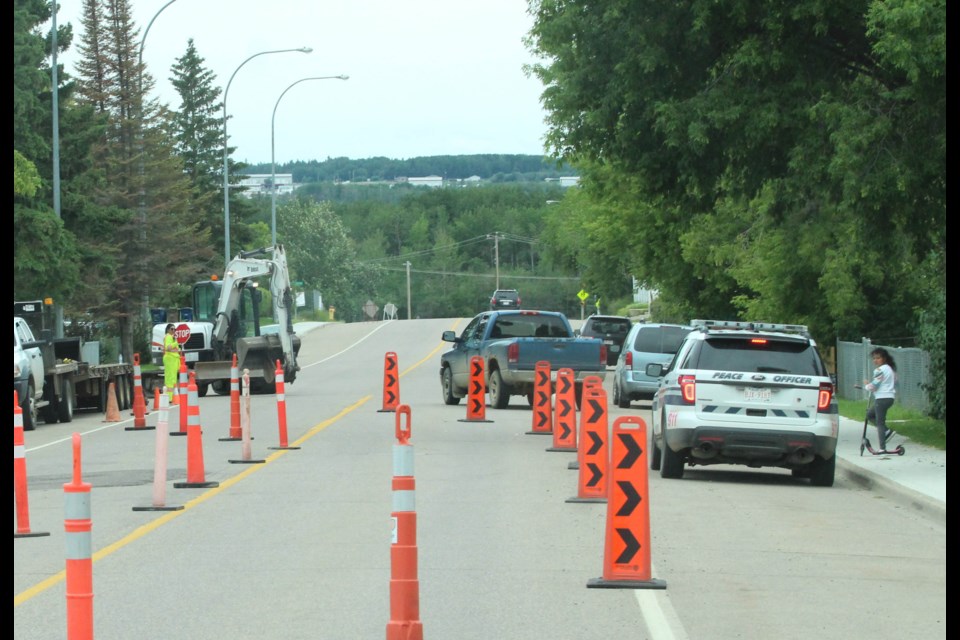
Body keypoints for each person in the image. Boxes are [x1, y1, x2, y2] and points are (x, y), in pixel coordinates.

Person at [863, 347, 897, 451]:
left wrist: (867, 386)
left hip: (882, 398)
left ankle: (882, 448)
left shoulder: (880, 370)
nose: (875, 360)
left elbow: (875, 386)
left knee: (880, 422)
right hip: (889, 398)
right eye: (874, 358)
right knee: (869, 414)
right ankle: (887, 432)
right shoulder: (889, 369)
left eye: (878, 358)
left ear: (884, 358)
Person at [162, 323, 181, 404]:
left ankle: (172, 396)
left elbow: (176, 349)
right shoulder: (168, 337)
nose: (173, 331)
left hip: (173, 360)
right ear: (168, 330)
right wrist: (177, 343)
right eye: (172, 329)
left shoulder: (173, 338)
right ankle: (169, 398)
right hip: (170, 359)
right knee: (170, 378)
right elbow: (168, 347)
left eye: (174, 329)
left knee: (173, 378)